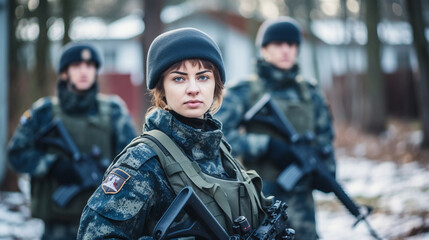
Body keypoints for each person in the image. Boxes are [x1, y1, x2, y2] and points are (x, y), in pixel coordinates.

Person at [77, 27, 274, 239]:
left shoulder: (220, 151)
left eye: (203, 77)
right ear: (161, 88)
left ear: (216, 84)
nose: (193, 88)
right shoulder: (143, 161)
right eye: (179, 78)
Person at [215, 17, 336, 239]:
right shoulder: (244, 91)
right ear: (264, 49)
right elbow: (217, 138)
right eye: (278, 44)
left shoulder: (310, 93)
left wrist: (326, 172)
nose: (286, 50)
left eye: (291, 44)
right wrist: (265, 145)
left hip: (303, 207)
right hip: (260, 201)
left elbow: (325, 139)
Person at [7, 42, 137, 240]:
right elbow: (16, 153)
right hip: (57, 226)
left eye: (90, 65)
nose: (84, 71)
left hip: (103, 223)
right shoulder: (44, 112)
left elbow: (133, 161)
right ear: (64, 73)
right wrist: (52, 165)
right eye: (76, 66)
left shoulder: (114, 111)